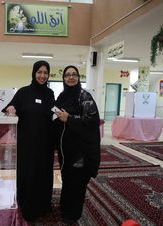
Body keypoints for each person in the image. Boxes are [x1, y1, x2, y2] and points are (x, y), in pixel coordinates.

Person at [2, 60, 55, 222]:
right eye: (39, 72)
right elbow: (10, 107)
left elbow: (53, 113)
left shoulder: (50, 93)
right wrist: (10, 108)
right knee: (29, 172)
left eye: (45, 73)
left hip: (46, 142)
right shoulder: (23, 92)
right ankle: (27, 205)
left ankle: (43, 204)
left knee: (43, 172)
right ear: (34, 73)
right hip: (27, 143)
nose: (42, 76)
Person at [53, 65, 101, 224]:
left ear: (79, 77)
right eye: (67, 75)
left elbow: (92, 121)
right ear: (64, 78)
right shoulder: (62, 96)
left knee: (77, 182)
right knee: (67, 179)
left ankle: (73, 215)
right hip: (66, 149)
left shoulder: (84, 96)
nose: (71, 77)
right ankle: (65, 208)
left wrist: (70, 119)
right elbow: (56, 117)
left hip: (80, 150)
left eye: (74, 75)